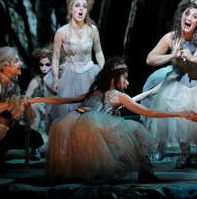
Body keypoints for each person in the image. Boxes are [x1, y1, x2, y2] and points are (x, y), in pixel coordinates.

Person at [46, 56, 189, 182]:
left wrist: (36, 100)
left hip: (76, 127)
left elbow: (63, 100)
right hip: (96, 132)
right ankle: (146, 172)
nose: (127, 82)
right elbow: (149, 112)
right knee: (136, 131)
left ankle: (139, 172)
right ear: (115, 78)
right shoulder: (116, 96)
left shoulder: (94, 92)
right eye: (125, 78)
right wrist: (177, 114)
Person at [141, 0, 197, 169]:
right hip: (179, 84)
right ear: (181, 16)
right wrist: (172, 56)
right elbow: (150, 59)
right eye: (187, 14)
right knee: (178, 119)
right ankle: (185, 153)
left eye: (195, 16)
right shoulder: (171, 37)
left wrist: (193, 57)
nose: (190, 18)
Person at [48, 0, 105, 126]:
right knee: (69, 115)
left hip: (90, 73)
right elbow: (55, 57)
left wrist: (104, 73)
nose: (81, 9)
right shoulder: (62, 32)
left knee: (91, 115)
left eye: (84, 7)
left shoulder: (92, 29)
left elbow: (98, 52)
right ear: (70, 9)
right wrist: (55, 78)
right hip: (70, 75)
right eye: (77, 5)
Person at [24, 47, 53, 135]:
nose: (44, 67)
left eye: (47, 64)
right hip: (42, 108)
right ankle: (34, 137)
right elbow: (26, 98)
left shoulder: (58, 77)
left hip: (56, 106)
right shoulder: (37, 80)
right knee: (34, 106)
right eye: (41, 65)